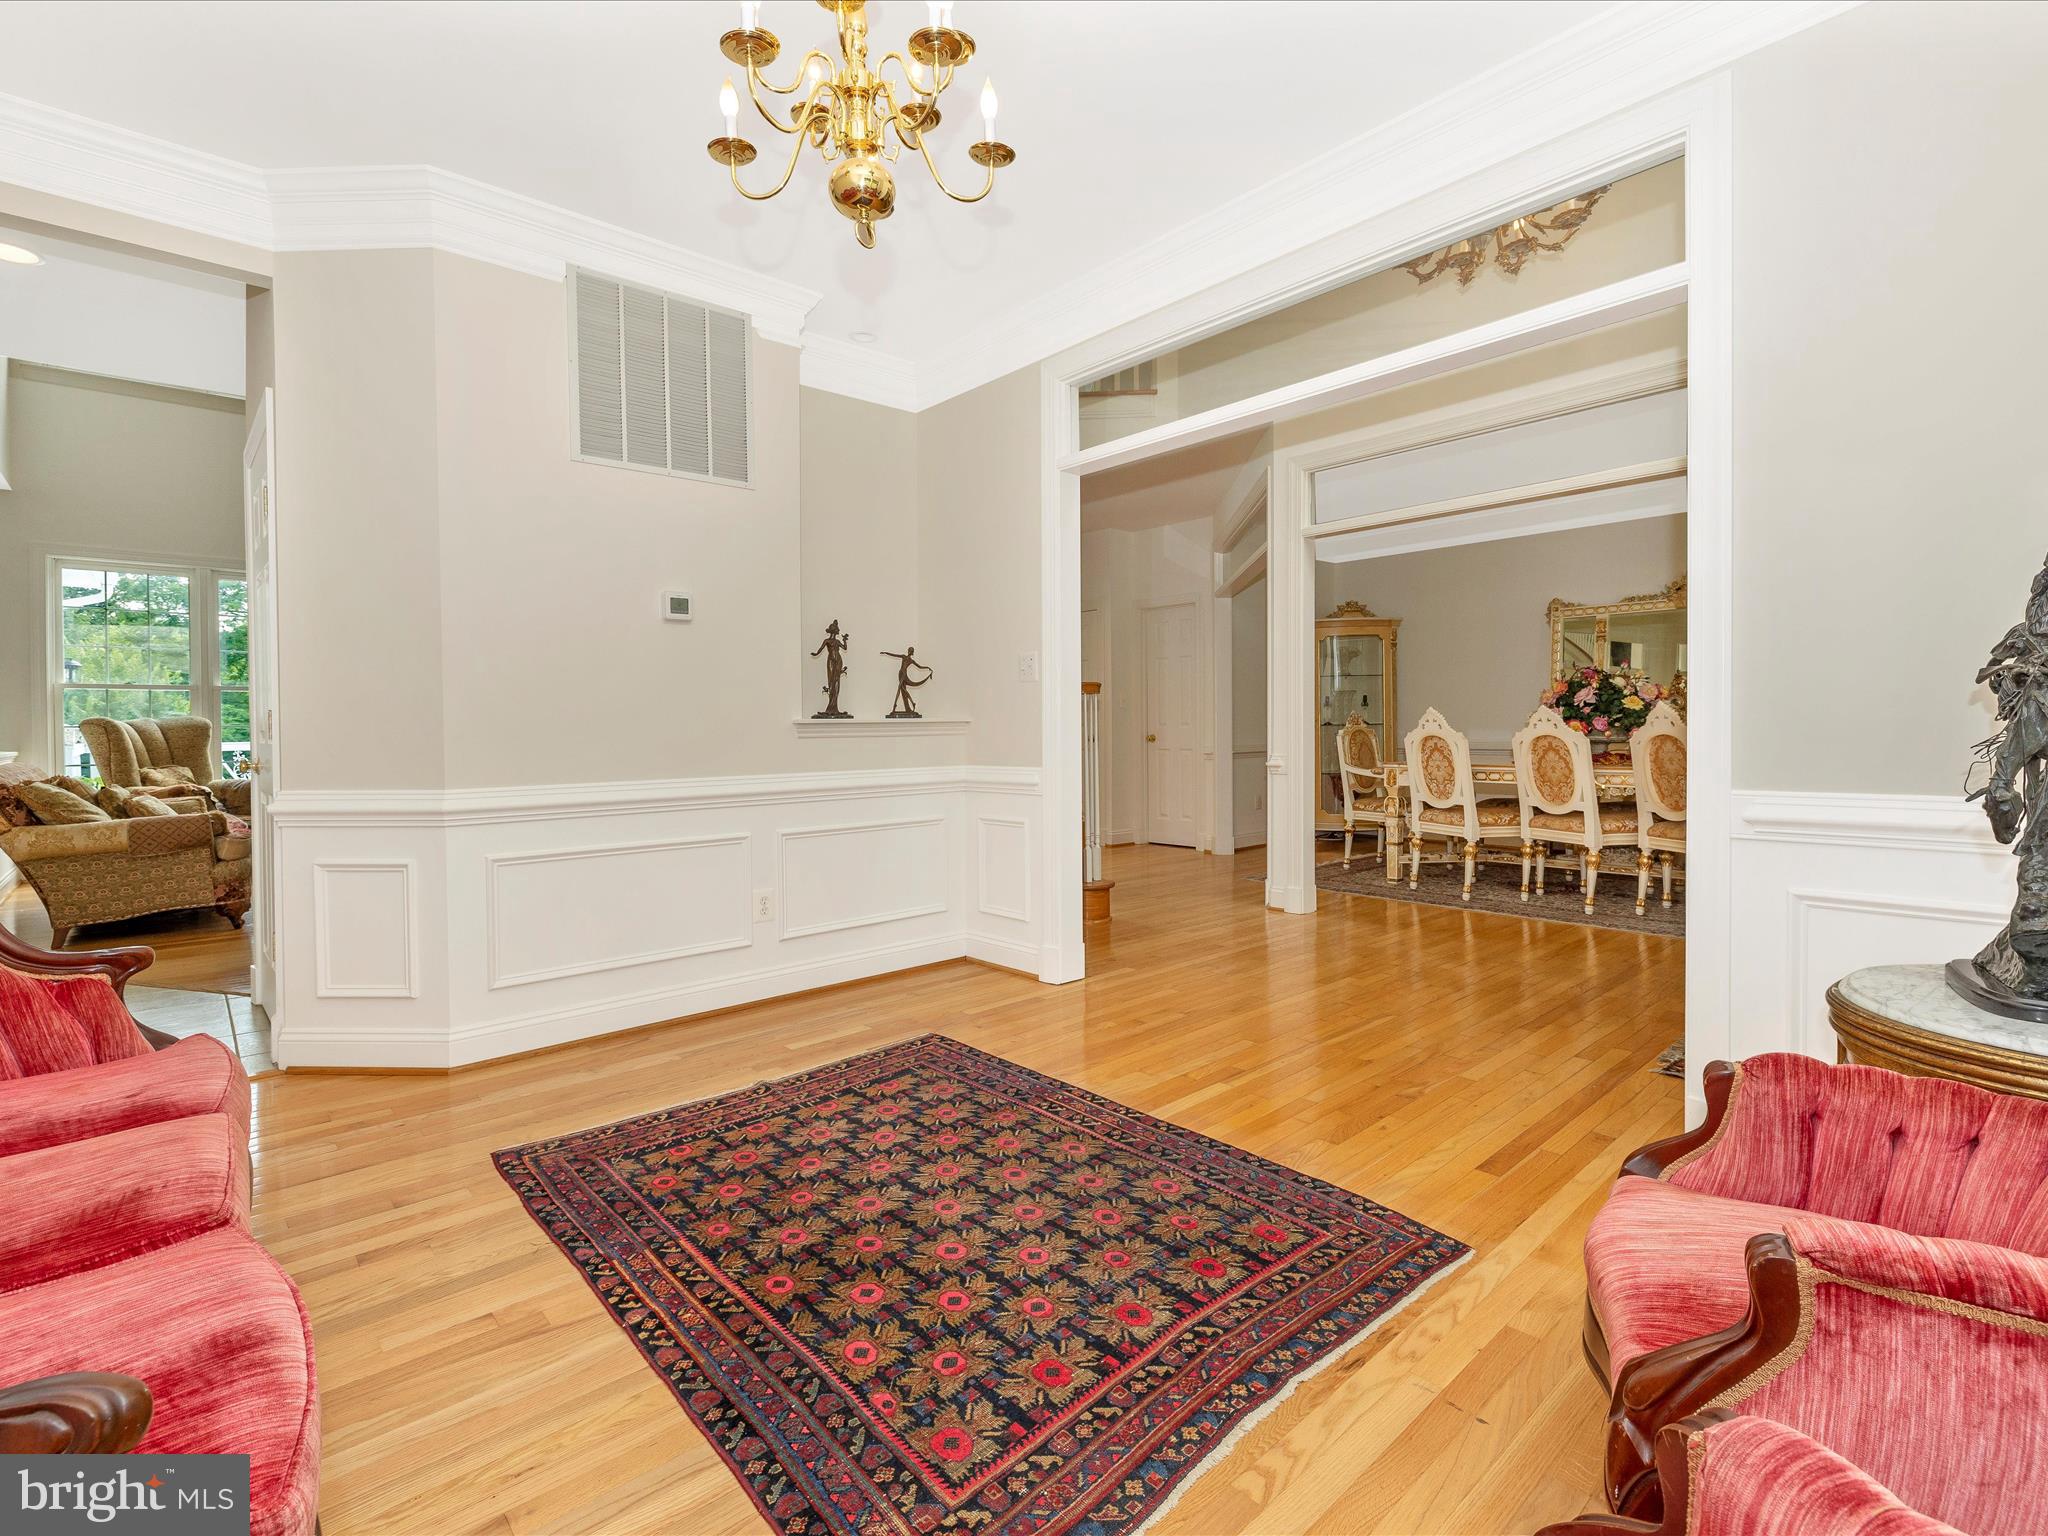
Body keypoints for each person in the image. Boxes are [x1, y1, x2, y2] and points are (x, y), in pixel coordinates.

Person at [881, 646, 933, 718]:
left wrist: (927, 667)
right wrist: (886, 653)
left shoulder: (911, 661)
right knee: (901, 689)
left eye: (911, 651)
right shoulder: (903, 656)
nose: (911, 652)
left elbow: (920, 667)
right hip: (901, 674)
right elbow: (894, 655)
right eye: (910, 650)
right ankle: (910, 704)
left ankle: (898, 707)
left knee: (901, 689)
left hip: (904, 675)